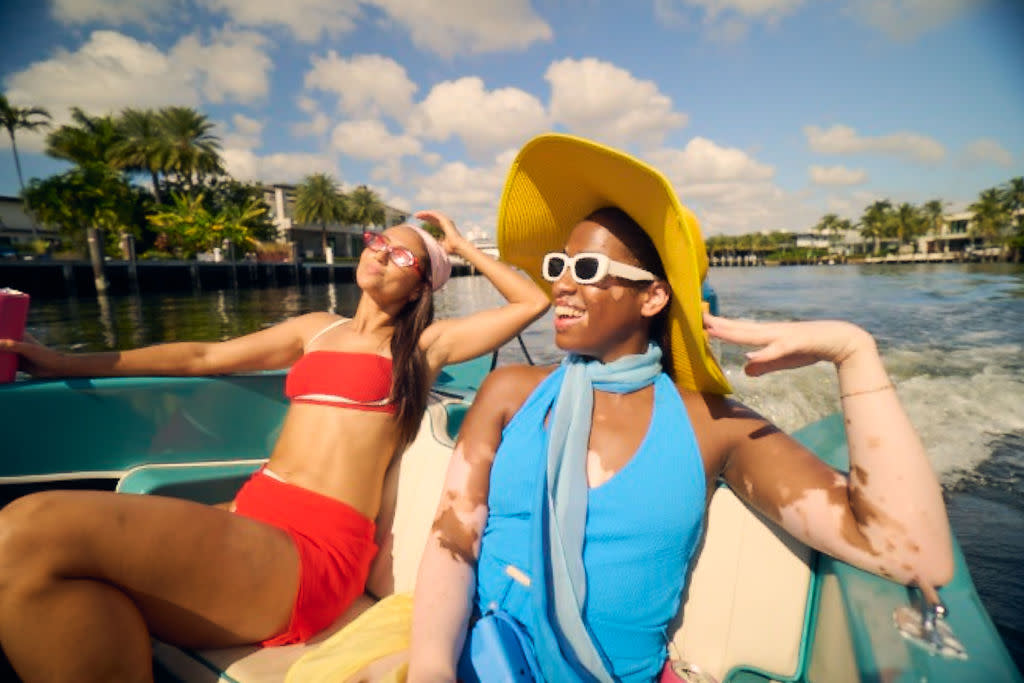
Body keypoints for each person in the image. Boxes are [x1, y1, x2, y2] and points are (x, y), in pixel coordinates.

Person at [302, 134, 954, 683]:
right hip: (474, 659)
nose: (560, 280)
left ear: (651, 298)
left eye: (586, 267)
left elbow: (907, 551)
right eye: (559, 262)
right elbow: (452, 543)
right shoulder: (510, 394)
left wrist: (854, 354)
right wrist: (435, 671)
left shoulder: (710, 424)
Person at [0, 209, 550, 682]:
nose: (382, 255)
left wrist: (457, 247)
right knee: (60, 587)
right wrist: (65, 363)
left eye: (403, 257)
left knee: (25, 526)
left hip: (311, 551)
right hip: (254, 513)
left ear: (422, 285)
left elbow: (531, 302)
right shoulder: (317, 328)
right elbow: (203, 358)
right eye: (379, 242)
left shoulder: (423, 348)